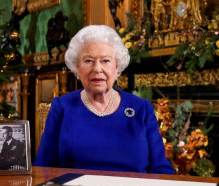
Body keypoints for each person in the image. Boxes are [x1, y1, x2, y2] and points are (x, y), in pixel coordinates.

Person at [34, 25, 174, 174]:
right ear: (77, 67)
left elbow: (160, 167)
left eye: (105, 61)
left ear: (117, 66)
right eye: (88, 61)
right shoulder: (62, 107)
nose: (97, 69)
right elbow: (43, 167)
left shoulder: (141, 108)